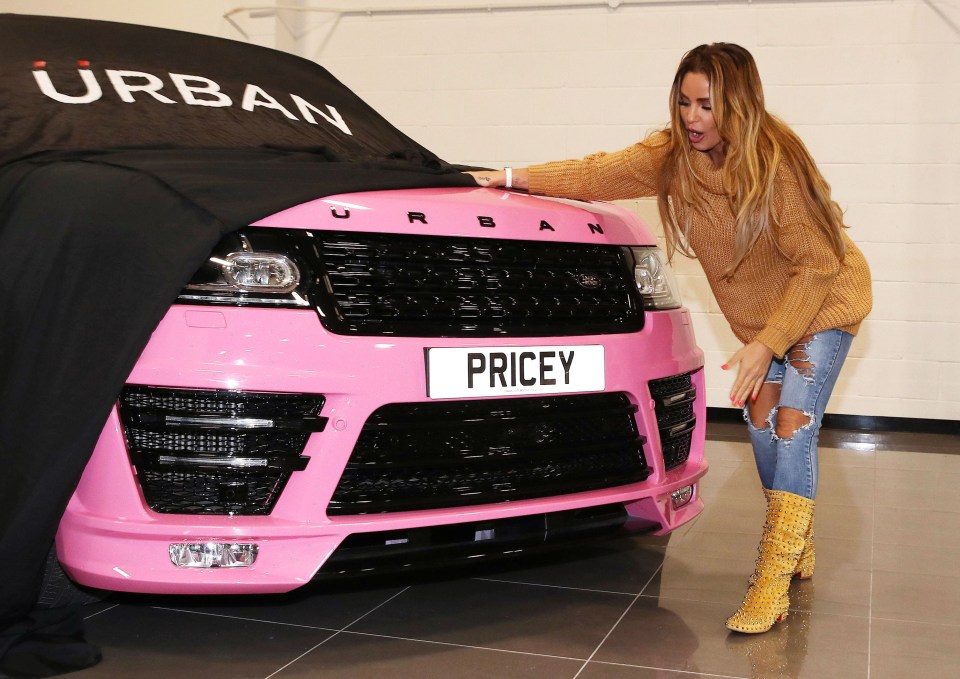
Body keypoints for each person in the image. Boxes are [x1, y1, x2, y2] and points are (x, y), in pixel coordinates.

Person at [465, 42, 872, 634]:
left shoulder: (776, 162)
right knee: (761, 427)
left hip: (824, 302)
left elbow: (816, 265)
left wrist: (769, 344)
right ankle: (798, 540)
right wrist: (504, 178)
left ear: (739, 103)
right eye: (684, 102)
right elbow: (597, 171)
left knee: (791, 424)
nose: (691, 117)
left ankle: (774, 577)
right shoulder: (675, 157)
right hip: (765, 324)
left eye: (706, 105)